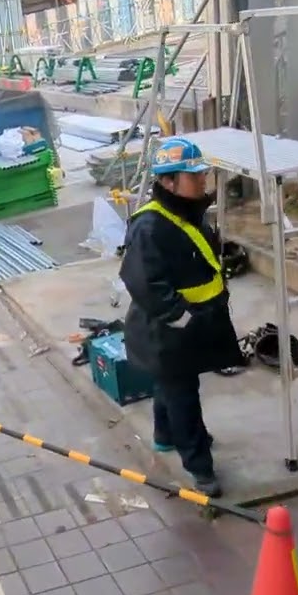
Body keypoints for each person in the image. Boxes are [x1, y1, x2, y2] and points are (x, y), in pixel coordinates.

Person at [120, 137, 242, 498]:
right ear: (168, 182)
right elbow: (143, 282)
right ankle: (200, 467)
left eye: (202, 174)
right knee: (182, 395)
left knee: (171, 385)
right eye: (195, 177)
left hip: (184, 328)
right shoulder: (151, 226)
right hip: (168, 332)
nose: (203, 181)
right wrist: (181, 318)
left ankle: (164, 436)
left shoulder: (186, 214)